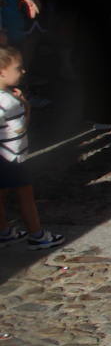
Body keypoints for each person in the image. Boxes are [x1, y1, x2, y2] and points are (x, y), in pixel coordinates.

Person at [0, 46, 62, 250]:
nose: (23, 71)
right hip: (14, 159)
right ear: (2, 72)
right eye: (18, 68)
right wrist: (26, 107)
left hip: (3, 158)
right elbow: (20, 130)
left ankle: (4, 231)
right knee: (26, 196)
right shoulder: (9, 101)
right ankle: (37, 234)